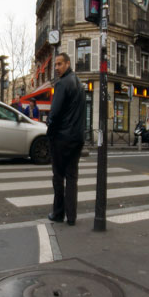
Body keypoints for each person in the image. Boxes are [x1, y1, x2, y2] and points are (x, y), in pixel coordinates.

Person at [47, 52, 86, 226]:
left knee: (58, 177)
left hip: (62, 138)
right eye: (55, 65)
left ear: (68, 63)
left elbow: (54, 113)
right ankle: (71, 217)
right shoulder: (79, 83)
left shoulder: (62, 84)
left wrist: (50, 132)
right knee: (72, 178)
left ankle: (58, 213)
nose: (56, 68)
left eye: (59, 64)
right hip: (77, 137)